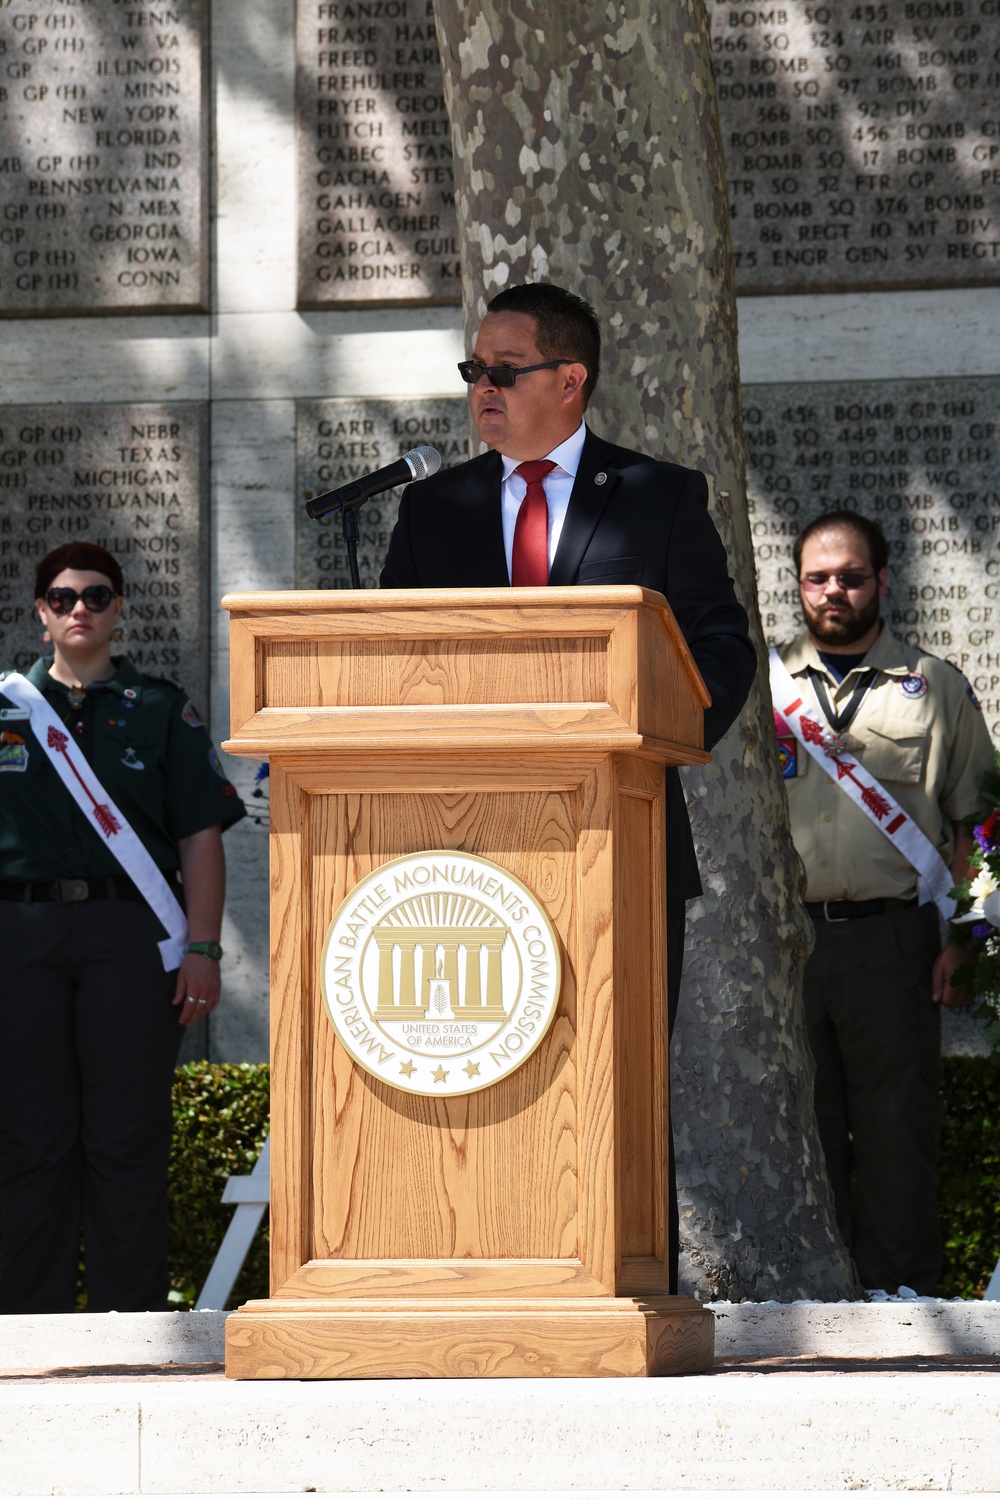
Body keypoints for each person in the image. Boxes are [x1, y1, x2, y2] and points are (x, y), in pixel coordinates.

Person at [381, 281, 757, 1288]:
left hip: (616, 843)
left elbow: (720, 649)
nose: (483, 391)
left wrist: (651, 745)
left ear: (570, 379)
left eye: (505, 372)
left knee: (615, 1082)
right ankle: (478, 1280)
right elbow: (388, 660)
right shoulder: (433, 509)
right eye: (475, 372)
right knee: (473, 1072)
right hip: (463, 854)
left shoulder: (656, 498)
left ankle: (626, 1290)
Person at [0, 542, 246, 1313]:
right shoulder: (6, 711)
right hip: (21, 936)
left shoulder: (162, 709)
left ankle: (128, 1319)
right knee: (29, 1136)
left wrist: (203, 948)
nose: (81, 609)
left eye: (98, 597)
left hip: (129, 936)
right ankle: (27, 1323)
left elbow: (199, 837)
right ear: (41, 612)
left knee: (126, 1133)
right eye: (64, 598)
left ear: (119, 610)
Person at [772, 510, 994, 1294]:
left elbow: (983, 821)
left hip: (893, 940)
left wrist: (966, 938)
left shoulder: (934, 687)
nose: (835, 590)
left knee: (899, 1133)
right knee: (801, 1129)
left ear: (883, 582)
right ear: (797, 586)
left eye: (852, 576)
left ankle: (906, 1303)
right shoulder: (758, 687)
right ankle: (814, 1298)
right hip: (784, 948)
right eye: (818, 577)